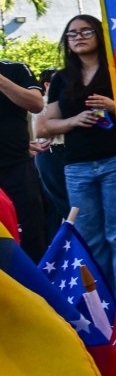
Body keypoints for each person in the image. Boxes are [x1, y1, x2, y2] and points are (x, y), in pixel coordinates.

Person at [40, 15, 116, 291]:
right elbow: (44, 125)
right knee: (89, 238)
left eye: (86, 31)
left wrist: (113, 105)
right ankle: (103, 305)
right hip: (77, 167)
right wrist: (73, 121)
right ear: (66, 42)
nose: (79, 37)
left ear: (99, 34)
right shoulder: (61, 78)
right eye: (72, 34)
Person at [0, 57, 48, 258]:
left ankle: (35, 287)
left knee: (30, 236)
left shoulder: (15, 69)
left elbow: (36, 104)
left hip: (15, 169)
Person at [32, 67, 70, 226]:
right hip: (51, 152)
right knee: (61, 202)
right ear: (47, 84)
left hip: (69, 153)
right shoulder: (43, 102)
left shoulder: (68, 100)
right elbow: (41, 130)